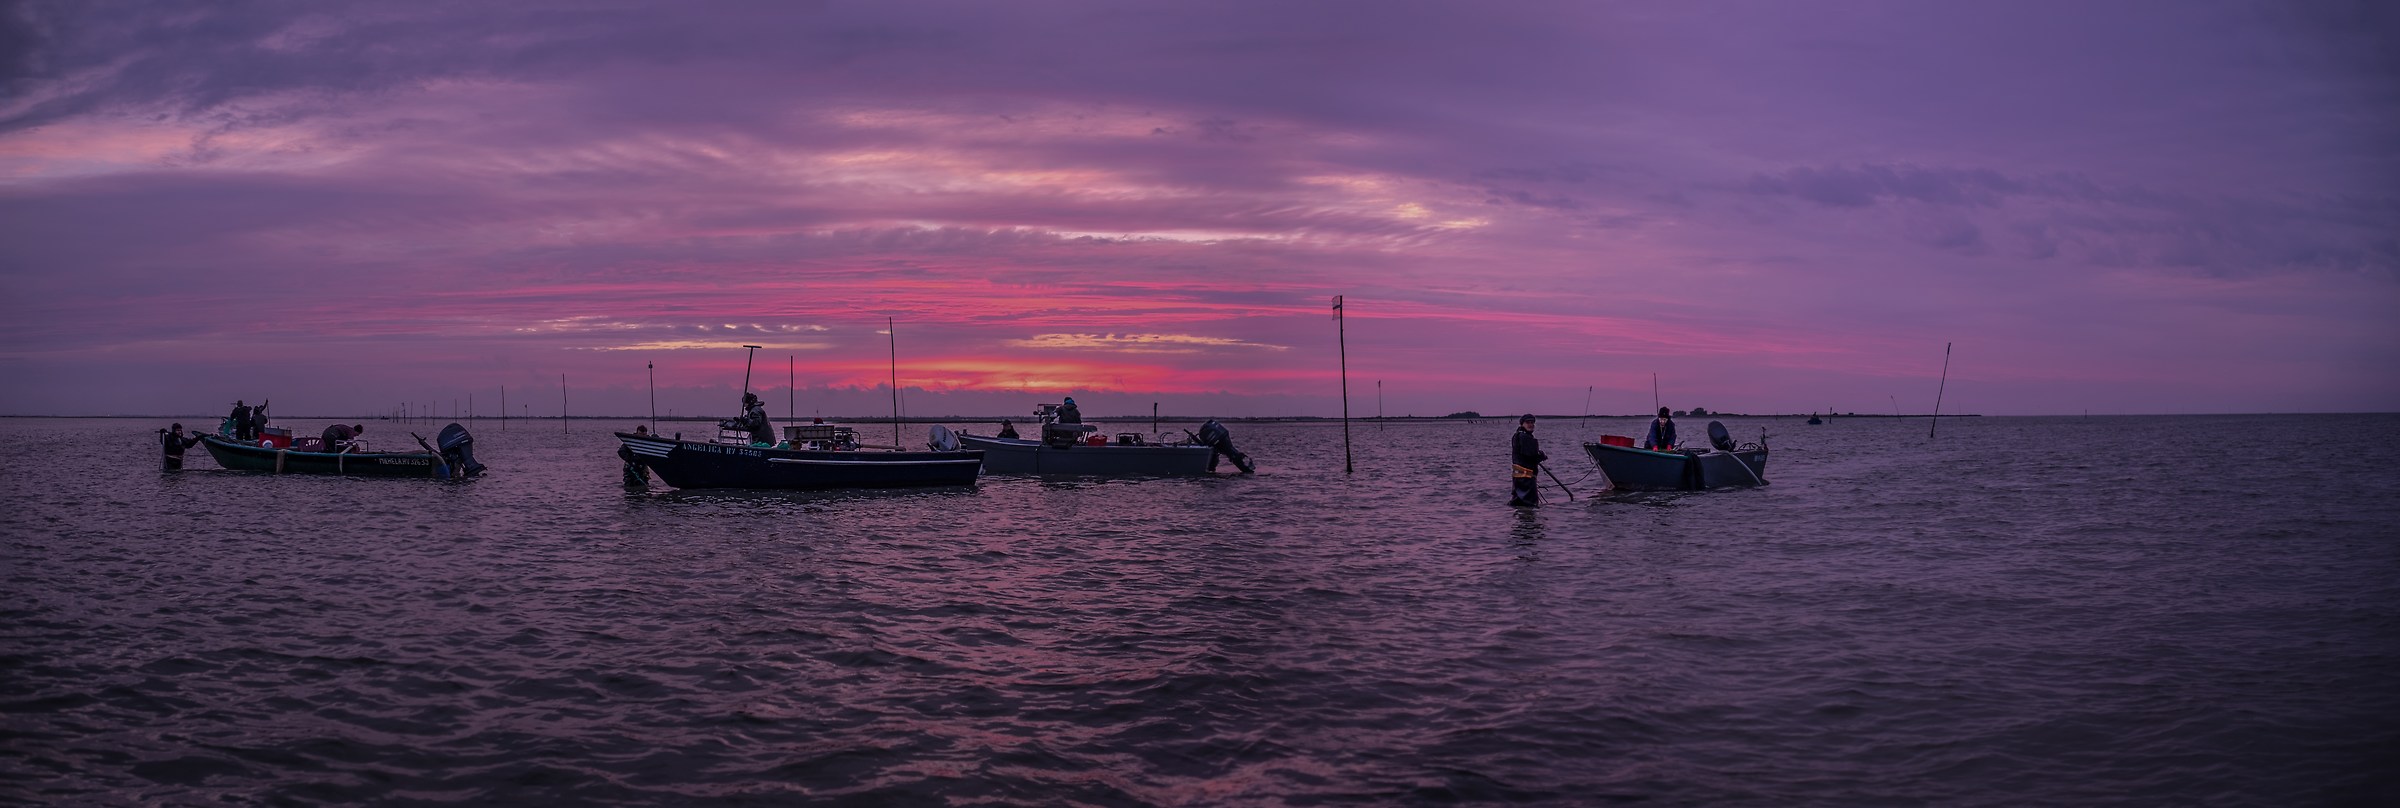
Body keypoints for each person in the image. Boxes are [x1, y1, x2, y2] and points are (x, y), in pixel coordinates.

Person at [1510, 414, 1547, 507]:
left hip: (1518, 476)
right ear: (1522, 424)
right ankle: (1529, 520)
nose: (1531, 425)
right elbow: (1530, 456)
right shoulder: (1524, 437)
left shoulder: (1517, 435)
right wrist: (1541, 457)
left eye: (1532, 422)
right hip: (1526, 477)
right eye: (1528, 422)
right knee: (1529, 504)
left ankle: (1519, 518)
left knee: (1518, 502)